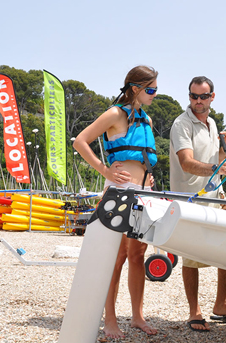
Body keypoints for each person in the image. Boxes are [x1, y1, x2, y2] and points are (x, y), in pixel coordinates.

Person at [73, 65, 159, 338]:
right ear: (135, 88)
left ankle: (137, 316)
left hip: (144, 193)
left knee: (137, 255)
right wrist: (104, 170)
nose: (154, 94)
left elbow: (142, 157)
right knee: (116, 257)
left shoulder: (146, 119)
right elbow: (81, 141)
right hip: (120, 191)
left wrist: (149, 178)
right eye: (151, 89)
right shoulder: (114, 114)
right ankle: (109, 319)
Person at [169, 76, 226, 332]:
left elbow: (217, 163)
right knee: (192, 256)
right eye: (194, 96)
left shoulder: (213, 123)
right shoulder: (181, 124)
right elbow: (187, 163)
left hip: (216, 195)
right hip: (190, 198)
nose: (198, 101)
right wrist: (216, 165)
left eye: (203, 96)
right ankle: (194, 311)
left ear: (212, 97)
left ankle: (221, 305)